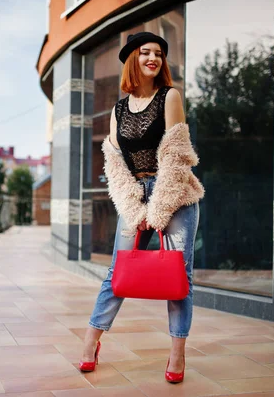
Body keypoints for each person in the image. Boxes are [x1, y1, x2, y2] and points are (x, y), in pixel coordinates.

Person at [78, 32, 204, 384]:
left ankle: (177, 354)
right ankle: (91, 343)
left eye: (159, 54)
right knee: (117, 273)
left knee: (180, 276)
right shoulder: (119, 108)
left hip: (174, 193)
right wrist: (135, 208)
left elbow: (177, 157)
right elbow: (114, 161)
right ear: (132, 58)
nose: (153, 58)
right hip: (135, 194)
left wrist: (159, 208)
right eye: (145, 52)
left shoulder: (171, 96)